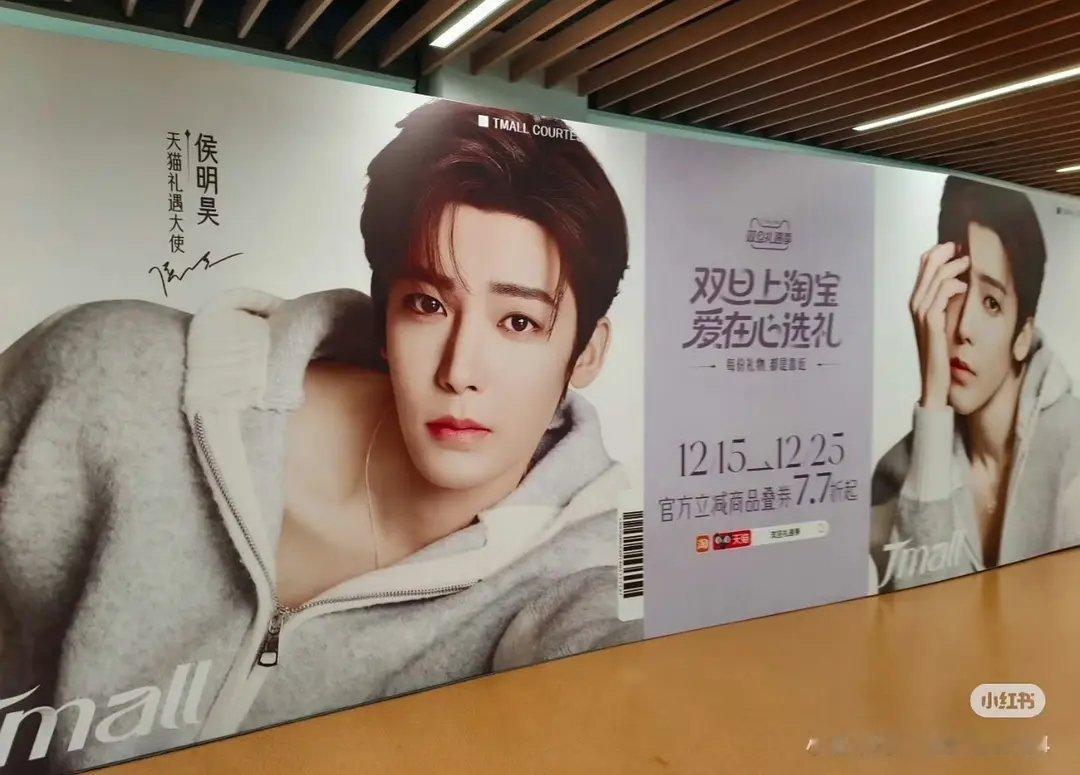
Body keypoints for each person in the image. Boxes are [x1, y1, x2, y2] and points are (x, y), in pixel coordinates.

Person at [0, 100, 640, 772]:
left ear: (588, 352)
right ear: (386, 313)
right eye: (427, 304)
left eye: (518, 322)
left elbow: (621, 674)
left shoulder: (590, 570)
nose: (459, 371)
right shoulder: (114, 380)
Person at [871, 176, 1080, 593]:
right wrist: (933, 403)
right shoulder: (896, 473)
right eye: (956, 290)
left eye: (991, 302)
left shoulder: (1073, 452)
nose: (963, 327)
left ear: (1022, 336)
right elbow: (919, 613)